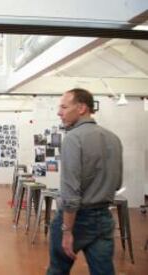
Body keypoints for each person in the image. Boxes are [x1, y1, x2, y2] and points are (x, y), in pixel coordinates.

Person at [47, 88, 123, 274]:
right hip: (104, 218)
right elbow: (118, 183)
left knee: (58, 270)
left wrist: (67, 230)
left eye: (64, 107)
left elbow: (71, 193)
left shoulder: (73, 138)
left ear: (81, 108)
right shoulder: (113, 138)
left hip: (77, 218)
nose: (59, 112)